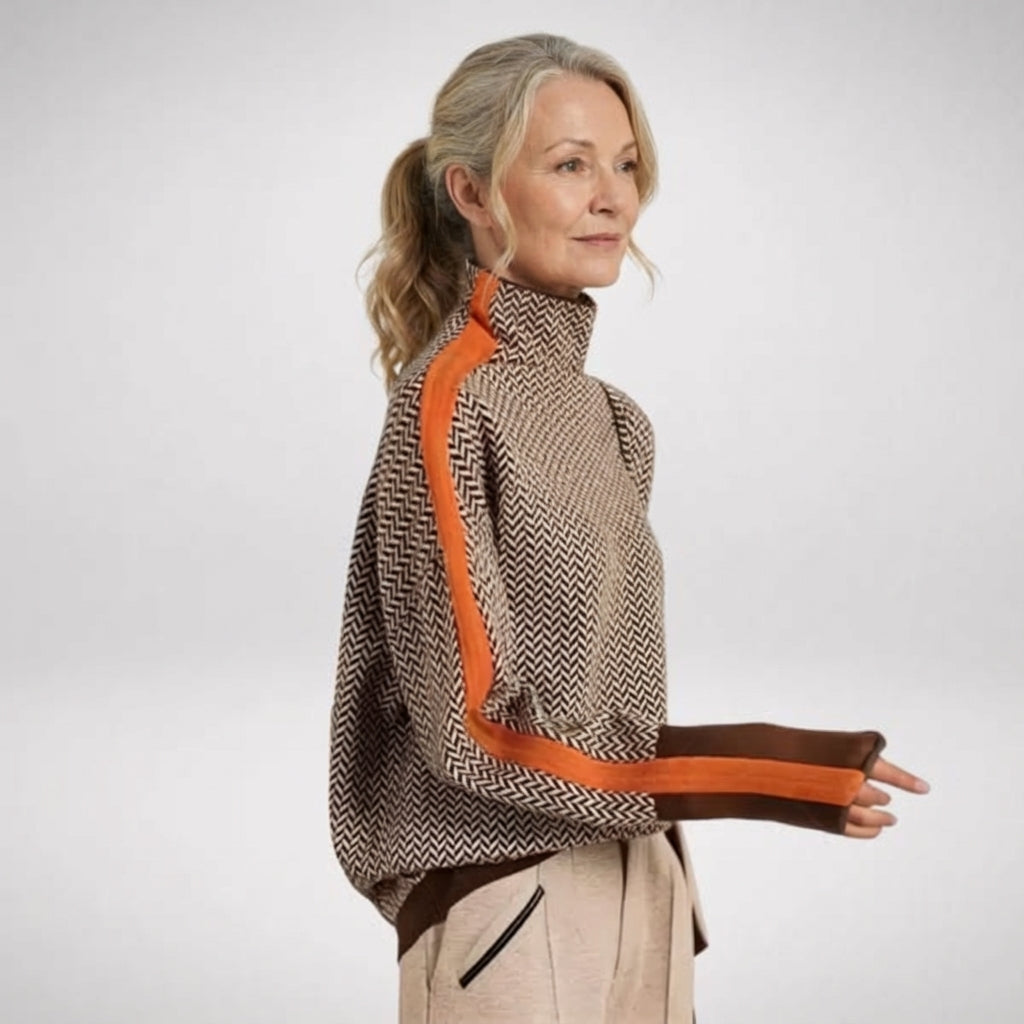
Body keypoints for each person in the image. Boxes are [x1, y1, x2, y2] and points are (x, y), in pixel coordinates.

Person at [328, 32, 930, 1024]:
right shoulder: (450, 405)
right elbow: (475, 728)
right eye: (571, 165)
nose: (613, 198)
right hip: (509, 898)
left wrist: (757, 781)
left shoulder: (612, 419)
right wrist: (765, 767)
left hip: (644, 874)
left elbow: (601, 696)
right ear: (471, 191)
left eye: (626, 164)